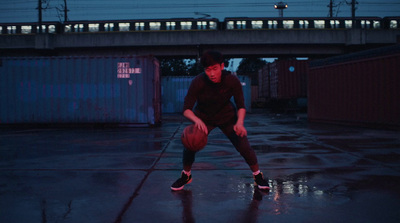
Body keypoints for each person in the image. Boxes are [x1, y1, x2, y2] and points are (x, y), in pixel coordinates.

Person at [171, 50, 269, 191]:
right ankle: (186, 175)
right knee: (190, 144)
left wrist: (240, 123)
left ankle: (258, 175)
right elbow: (186, 109)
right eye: (208, 70)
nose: (211, 73)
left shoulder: (231, 81)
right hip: (203, 118)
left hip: (227, 117)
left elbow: (241, 105)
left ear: (222, 66)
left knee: (243, 145)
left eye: (215, 69)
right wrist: (196, 120)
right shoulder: (198, 82)